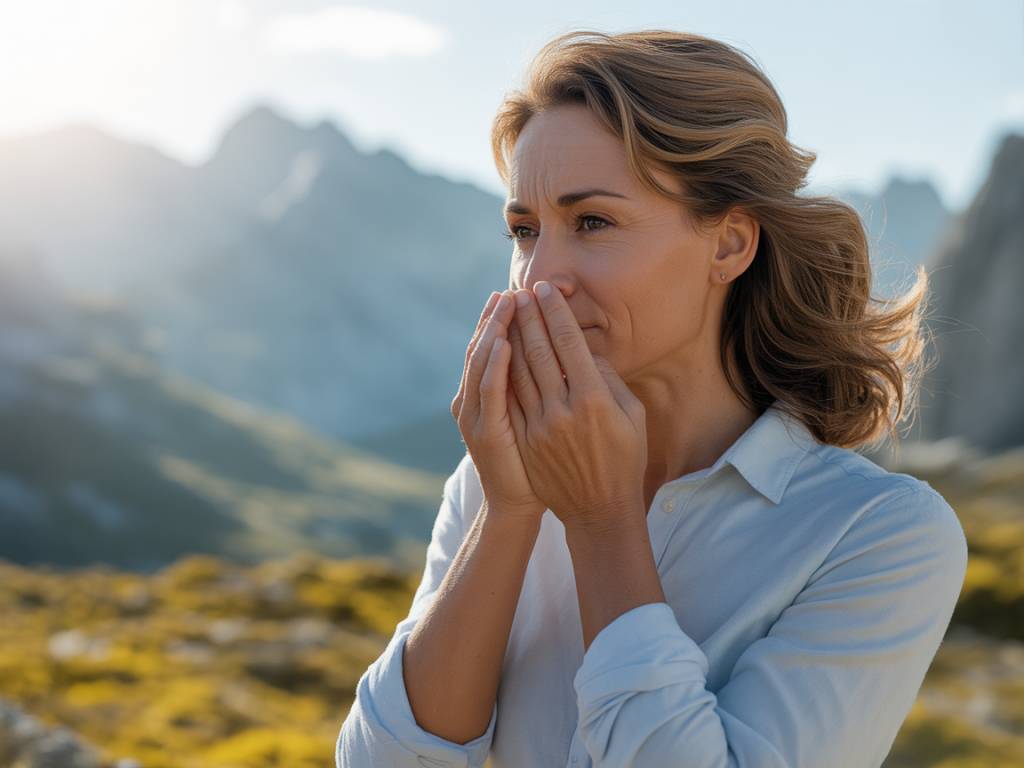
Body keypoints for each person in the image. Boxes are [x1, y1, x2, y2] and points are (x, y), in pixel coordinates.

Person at [336, 28, 967, 768]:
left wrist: (604, 525)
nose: (539, 277)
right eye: (524, 230)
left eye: (593, 222)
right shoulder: (490, 484)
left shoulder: (879, 536)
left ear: (729, 245)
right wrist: (508, 514)